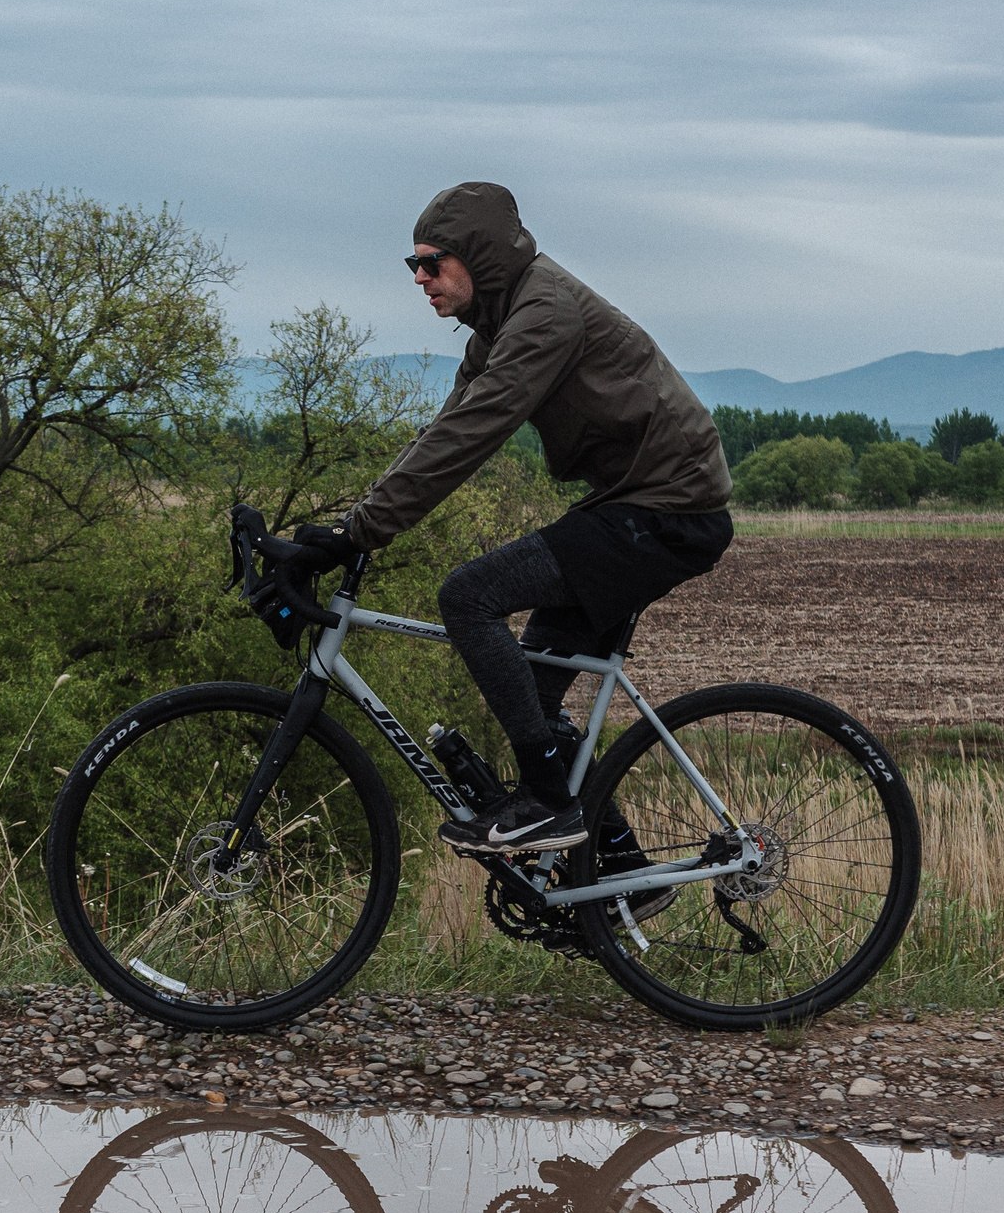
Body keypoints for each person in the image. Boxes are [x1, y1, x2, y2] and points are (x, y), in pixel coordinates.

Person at [282, 181, 733, 855]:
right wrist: (355, 525)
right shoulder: (498, 324)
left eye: (431, 262)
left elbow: (474, 432)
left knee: (469, 596)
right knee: (535, 699)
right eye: (412, 265)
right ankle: (617, 873)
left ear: (481, 257)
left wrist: (359, 532)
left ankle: (550, 806)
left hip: (668, 510)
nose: (419, 277)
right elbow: (441, 432)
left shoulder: (544, 314)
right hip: (635, 503)